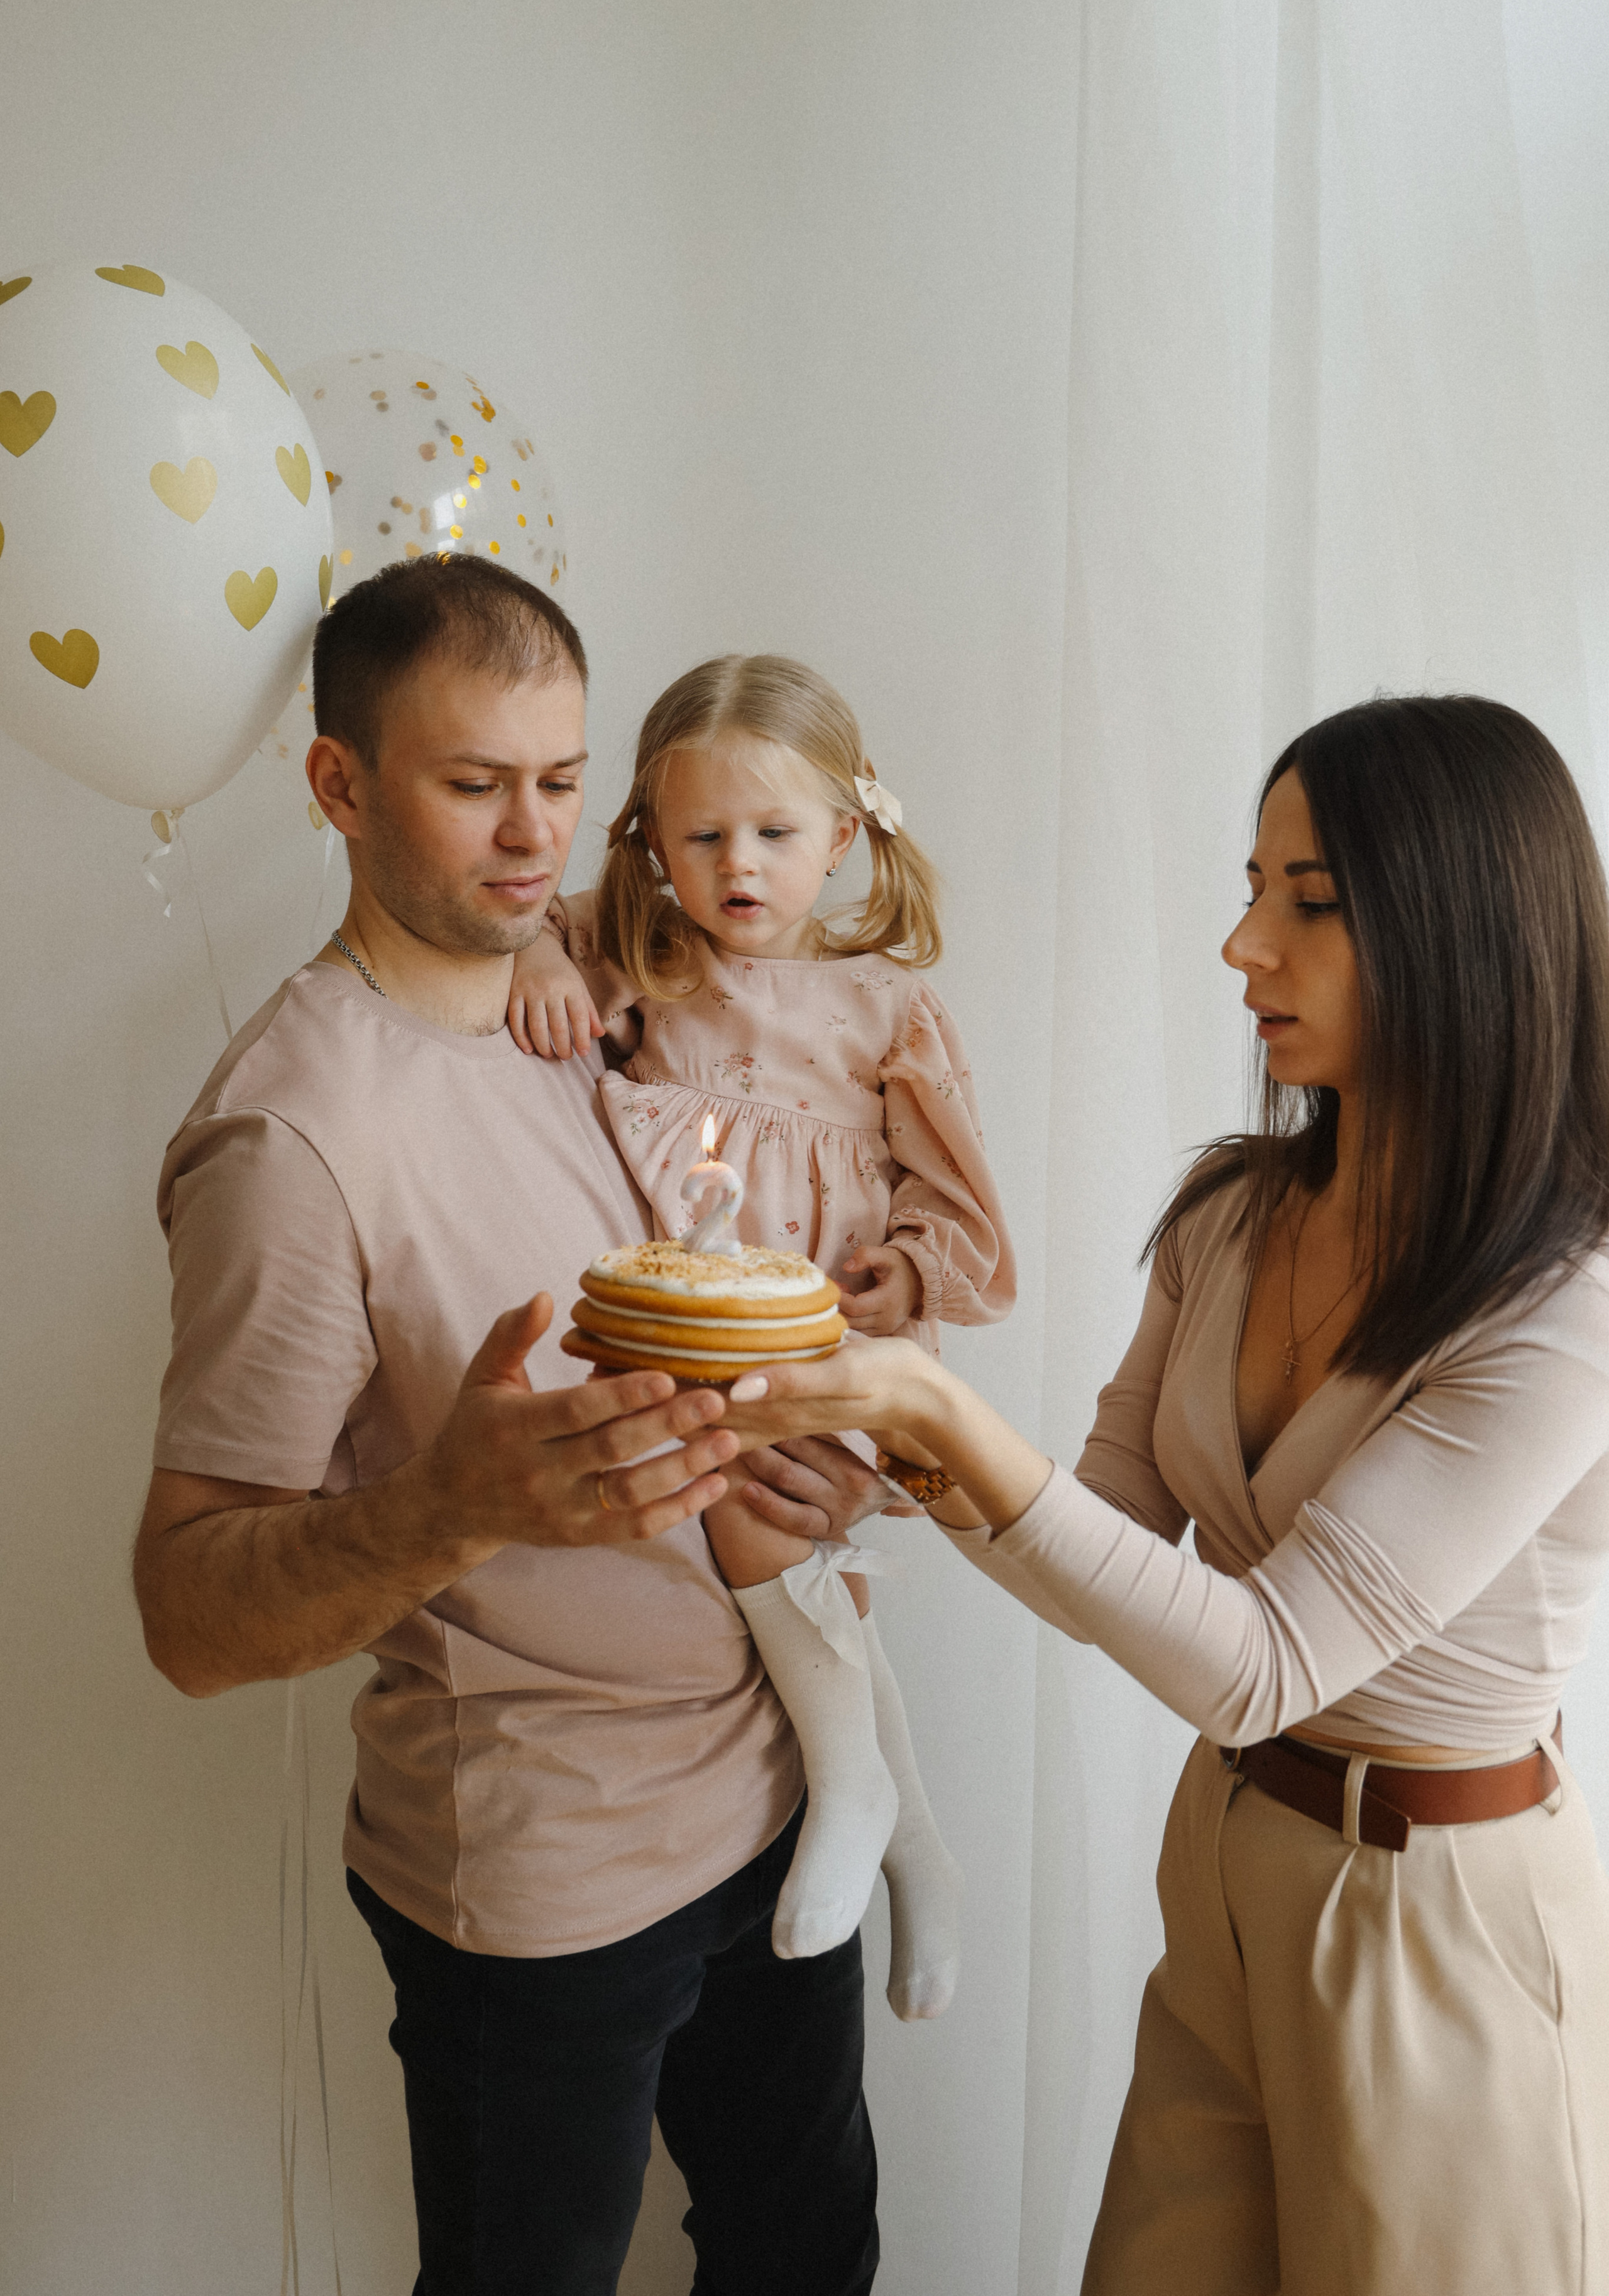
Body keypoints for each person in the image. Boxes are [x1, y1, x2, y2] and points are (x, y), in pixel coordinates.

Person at [721, 694, 1609, 2296]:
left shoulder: (1562, 1304)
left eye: (1307, 903)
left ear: (1464, 934)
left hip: (1437, 1919)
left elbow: (1266, 1654)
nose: (1240, 947)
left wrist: (939, 1416)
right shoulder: (1231, 1214)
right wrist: (890, 1448)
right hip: (1224, 1851)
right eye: (1250, 886)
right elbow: (1112, 1539)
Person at [131, 556, 887, 2296]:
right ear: (337, 786)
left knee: (808, 2259)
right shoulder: (292, 1142)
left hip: (773, 1793)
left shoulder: (589, 996)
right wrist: (446, 1509)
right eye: (475, 787)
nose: (533, 835)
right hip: (543, 1881)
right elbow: (186, 1611)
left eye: (561, 782)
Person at [511, 654, 1013, 2014]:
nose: (737, 866)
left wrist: (899, 1281)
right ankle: (905, 1834)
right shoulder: (646, 964)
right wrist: (556, 956)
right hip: (690, 1318)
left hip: (812, 1336)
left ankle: (851, 1788)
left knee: (758, 1495)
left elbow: (947, 1200)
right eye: (703, 836)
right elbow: (519, 931)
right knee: (800, 1567)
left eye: (775, 834)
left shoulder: (887, 1006)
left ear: (843, 838)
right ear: (650, 842)